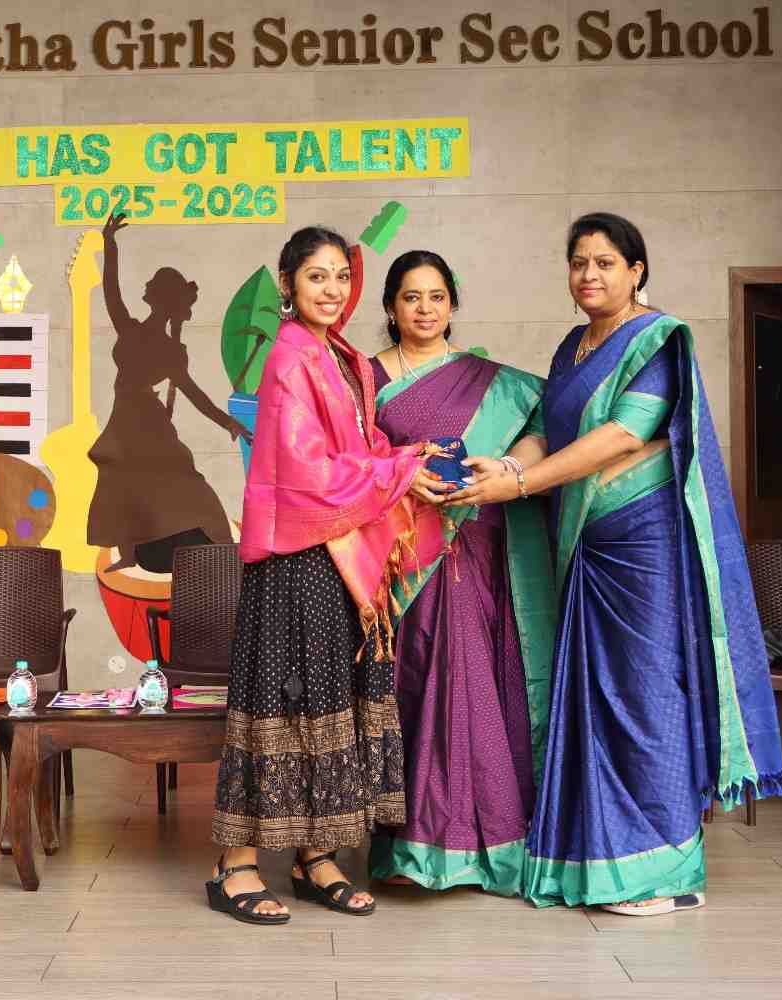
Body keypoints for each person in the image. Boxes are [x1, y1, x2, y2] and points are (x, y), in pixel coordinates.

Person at [449, 212, 782, 914]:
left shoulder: (655, 339)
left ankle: (661, 870)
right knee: (592, 698)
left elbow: (623, 434)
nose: (589, 275)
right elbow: (548, 431)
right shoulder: (573, 347)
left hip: (642, 547)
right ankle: (597, 857)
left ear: (636, 271)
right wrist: (506, 465)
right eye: (578, 262)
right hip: (587, 545)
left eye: (605, 262)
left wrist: (520, 483)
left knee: (644, 695)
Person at [207, 226, 447, 924]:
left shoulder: (343, 357)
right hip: (296, 558)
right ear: (288, 285)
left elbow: (362, 447)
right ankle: (234, 867)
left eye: (342, 276)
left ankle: (316, 857)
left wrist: (407, 458)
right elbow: (307, 473)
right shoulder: (289, 357)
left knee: (327, 702)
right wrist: (396, 473)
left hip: (340, 553)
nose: (333, 289)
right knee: (279, 706)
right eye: (317, 277)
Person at [365, 251, 556, 895]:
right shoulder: (363, 379)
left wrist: (504, 467)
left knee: (476, 677)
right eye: (411, 297)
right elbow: (348, 459)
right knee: (413, 682)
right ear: (390, 307)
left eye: (437, 297)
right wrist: (402, 477)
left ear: (453, 304)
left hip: (477, 543)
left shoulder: (493, 381)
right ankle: (409, 843)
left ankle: (488, 837)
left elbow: (540, 427)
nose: (425, 309)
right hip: (401, 553)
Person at [88, 212, 251, 572]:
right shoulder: (134, 331)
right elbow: (111, 292)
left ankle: (220, 542)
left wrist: (228, 422)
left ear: (159, 297)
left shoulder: (168, 348)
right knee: (121, 482)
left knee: (184, 480)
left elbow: (193, 393)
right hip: (127, 419)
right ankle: (130, 553)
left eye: (154, 285)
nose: (147, 287)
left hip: (147, 421)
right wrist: (109, 245)